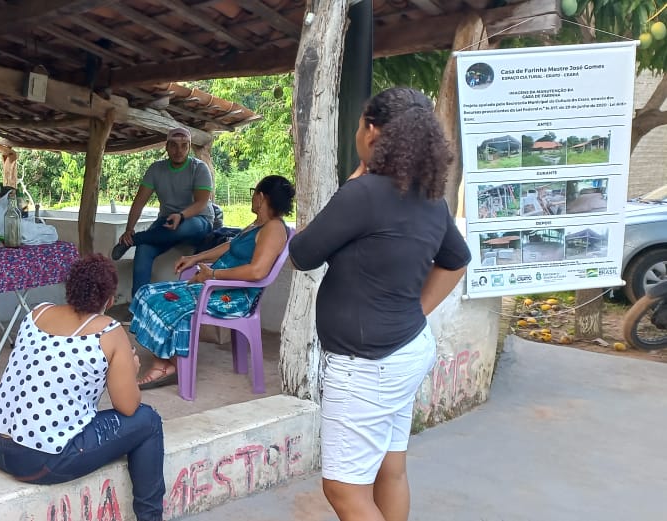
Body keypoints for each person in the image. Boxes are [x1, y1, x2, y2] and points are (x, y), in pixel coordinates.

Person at [287, 87, 471, 521]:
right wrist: (415, 311)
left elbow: (302, 255)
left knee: (343, 489)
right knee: (390, 470)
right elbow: (456, 262)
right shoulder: (429, 199)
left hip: (366, 366)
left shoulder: (363, 194)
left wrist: (351, 184)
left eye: (358, 124)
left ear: (372, 131)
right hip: (405, 350)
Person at [0, 255, 165, 521]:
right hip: (40, 460)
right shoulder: (108, 331)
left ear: (70, 289)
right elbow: (127, 406)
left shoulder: (37, 313)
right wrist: (131, 369)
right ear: (110, 300)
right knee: (148, 420)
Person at [129, 175, 295, 389]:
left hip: (231, 297)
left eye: (254, 193)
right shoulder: (258, 225)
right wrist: (196, 258)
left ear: (261, 197)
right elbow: (229, 247)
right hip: (213, 286)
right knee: (146, 293)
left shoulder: (273, 229)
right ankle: (169, 360)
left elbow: (257, 272)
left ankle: (166, 364)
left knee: (166, 303)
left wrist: (213, 276)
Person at [111, 127, 215, 298]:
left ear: (189, 147)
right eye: (174, 145)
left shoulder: (199, 168)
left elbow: (201, 202)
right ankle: (139, 305)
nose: (178, 151)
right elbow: (139, 201)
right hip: (167, 222)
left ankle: (135, 240)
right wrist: (129, 228)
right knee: (144, 249)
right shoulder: (156, 169)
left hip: (198, 220)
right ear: (166, 147)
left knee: (181, 227)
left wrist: (181, 216)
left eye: (184, 146)